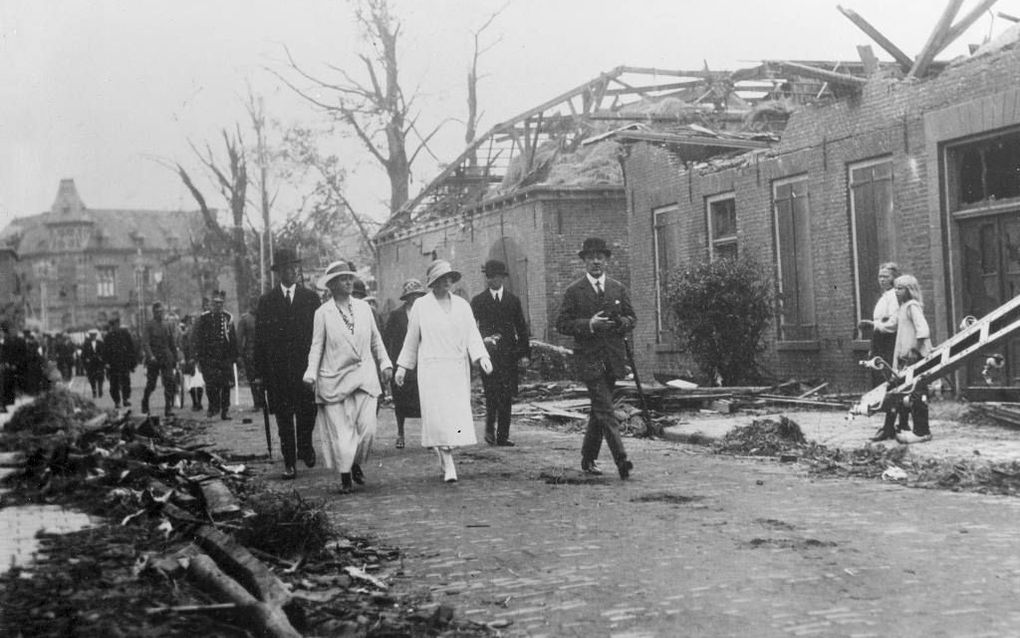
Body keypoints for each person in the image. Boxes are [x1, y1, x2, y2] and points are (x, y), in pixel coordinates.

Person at [395, 260, 492, 483]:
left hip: (457, 368)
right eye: (442, 279)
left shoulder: (462, 305)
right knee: (439, 417)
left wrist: (481, 356)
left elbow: (472, 334)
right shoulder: (421, 306)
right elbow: (411, 339)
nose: (447, 282)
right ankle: (449, 463)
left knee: (453, 418)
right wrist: (402, 367)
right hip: (432, 368)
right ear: (433, 282)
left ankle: (443, 452)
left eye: (449, 278)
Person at [303, 261, 393, 494]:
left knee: (368, 430)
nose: (349, 282)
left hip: (364, 377)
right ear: (332, 285)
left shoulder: (364, 309)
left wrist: (385, 363)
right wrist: (310, 373)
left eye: (350, 278)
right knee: (342, 435)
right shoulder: (322, 313)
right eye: (343, 279)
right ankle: (345, 476)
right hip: (334, 379)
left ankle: (354, 463)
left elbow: (376, 340)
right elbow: (316, 347)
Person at [555, 237, 637, 480]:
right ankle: (622, 460)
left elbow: (632, 319)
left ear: (606, 260)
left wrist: (620, 322)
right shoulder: (574, 291)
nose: (595, 262)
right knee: (605, 408)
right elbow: (562, 324)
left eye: (600, 257)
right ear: (584, 262)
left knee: (599, 411)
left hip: (612, 358)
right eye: (590, 258)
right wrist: (588, 324)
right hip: (589, 359)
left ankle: (588, 458)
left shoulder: (618, 288)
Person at [254, 247, 321, 480]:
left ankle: (305, 445)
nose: (292, 271)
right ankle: (289, 462)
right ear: (279, 272)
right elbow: (259, 340)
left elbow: (319, 337)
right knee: (283, 419)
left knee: (307, 413)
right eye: (286, 268)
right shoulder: (267, 301)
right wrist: (259, 373)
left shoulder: (311, 299)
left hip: (305, 371)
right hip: (278, 372)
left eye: (295, 267)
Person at [470, 259, 531, 447]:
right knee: (491, 393)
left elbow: (521, 328)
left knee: (506, 394)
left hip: (509, 355)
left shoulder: (513, 301)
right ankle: (489, 430)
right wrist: (478, 348)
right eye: (489, 277)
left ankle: (503, 435)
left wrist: (524, 354)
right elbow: (471, 328)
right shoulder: (478, 301)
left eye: (496, 276)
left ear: (502, 278)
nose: (492, 280)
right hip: (488, 355)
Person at [382, 278, 428, 449]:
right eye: (412, 296)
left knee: (424, 400)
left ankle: (427, 434)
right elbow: (387, 339)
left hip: (421, 364)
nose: (415, 299)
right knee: (400, 401)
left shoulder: (426, 313)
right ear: (406, 298)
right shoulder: (396, 315)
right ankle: (400, 433)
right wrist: (387, 363)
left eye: (418, 295)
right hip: (401, 364)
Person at [891, 274, 933, 445]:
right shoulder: (903, 308)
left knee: (917, 393)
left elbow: (923, 329)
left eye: (900, 288)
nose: (896, 291)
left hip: (916, 357)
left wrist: (915, 349)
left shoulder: (912, 306)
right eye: (895, 288)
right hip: (905, 358)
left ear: (909, 290)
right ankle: (905, 427)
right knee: (905, 393)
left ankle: (922, 431)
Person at [194, 290, 239, 420]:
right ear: (211, 304)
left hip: (224, 357)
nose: (218, 306)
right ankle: (213, 406)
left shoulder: (228, 318)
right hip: (209, 357)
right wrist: (199, 357)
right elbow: (199, 339)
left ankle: (225, 410)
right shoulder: (204, 318)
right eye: (215, 303)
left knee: (226, 385)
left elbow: (232, 338)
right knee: (211, 384)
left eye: (220, 303)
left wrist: (235, 357)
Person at [858, 262, 900, 387]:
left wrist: (874, 325)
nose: (882, 280)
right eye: (880, 277)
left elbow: (894, 322)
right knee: (877, 369)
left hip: (888, 339)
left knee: (884, 369)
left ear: (894, 278)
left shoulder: (894, 295)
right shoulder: (885, 296)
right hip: (879, 337)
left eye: (886, 277)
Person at [141, 301, 179, 417]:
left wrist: (175, 358)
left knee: (169, 382)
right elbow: (145, 343)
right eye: (157, 312)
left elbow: (172, 343)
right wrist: (150, 356)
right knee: (151, 384)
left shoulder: (167, 325)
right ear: (153, 312)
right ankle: (145, 401)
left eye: (161, 311)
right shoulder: (149, 325)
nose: (160, 313)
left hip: (166, 356)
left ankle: (168, 408)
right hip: (154, 358)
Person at [236, 295, 264, 411]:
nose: (256, 307)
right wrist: (240, 355)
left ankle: (262, 402)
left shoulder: (264, 317)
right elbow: (239, 338)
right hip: (250, 353)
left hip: (262, 353)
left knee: (262, 378)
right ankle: (257, 402)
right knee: (253, 378)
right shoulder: (245, 319)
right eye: (254, 304)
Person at [103, 314, 136, 409]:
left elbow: (131, 348)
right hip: (113, 364)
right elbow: (105, 351)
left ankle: (125, 399)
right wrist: (106, 363)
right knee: (114, 384)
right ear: (111, 326)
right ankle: (117, 401)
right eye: (113, 325)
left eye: (116, 324)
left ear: (119, 324)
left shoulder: (125, 334)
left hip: (124, 362)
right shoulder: (108, 337)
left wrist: (132, 362)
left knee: (126, 382)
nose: (115, 327)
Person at [180, 315, 205, 411]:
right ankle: (195, 402)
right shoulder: (184, 334)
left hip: (196, 360)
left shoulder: (199, 333)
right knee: (190, 382)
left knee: (198, 381)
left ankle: (198, 403)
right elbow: (182, 346)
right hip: (188, 359)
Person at [81, 328, 105, 399]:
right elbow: (83, 355)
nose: (93, 337)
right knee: (92, 378)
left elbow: (104, 353)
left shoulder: (100, 343)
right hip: (91, 365)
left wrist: (102, 359)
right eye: (91, 335)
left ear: (96, 335)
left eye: (94, 335)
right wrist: (86, 360)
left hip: (99, 364)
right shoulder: (86, 344)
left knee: (100, 377)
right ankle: (94, 391)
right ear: (90, 336)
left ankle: (100, 390)